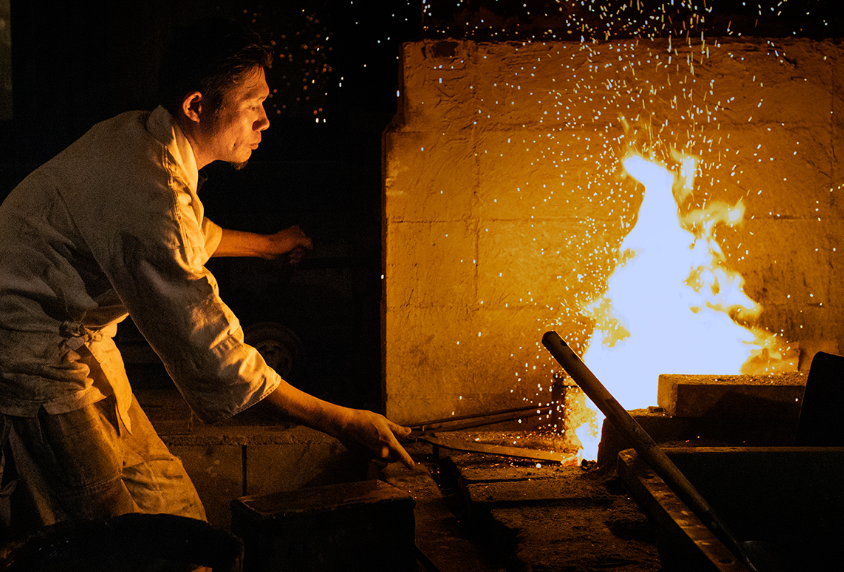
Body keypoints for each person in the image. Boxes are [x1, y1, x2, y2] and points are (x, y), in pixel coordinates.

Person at [0, 17, 412, 542]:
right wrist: (342, 421)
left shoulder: (145, 137)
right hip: (29, 352)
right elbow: (215, 354)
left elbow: (190, 232)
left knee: (171, 509)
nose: (266, 121)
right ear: (197, 106)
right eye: (253, 105)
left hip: (77, 341)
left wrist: (267, 244)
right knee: (105, 534)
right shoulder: (150, 190)